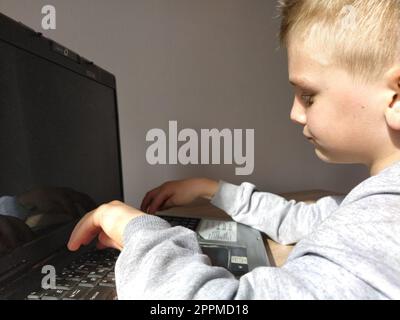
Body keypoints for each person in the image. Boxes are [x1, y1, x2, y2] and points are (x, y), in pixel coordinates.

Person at [68, 0, 400, 299]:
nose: (295, 114)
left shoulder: (384, 223)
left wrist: (143, 236)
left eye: (309, 96)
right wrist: (210, 189)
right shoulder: (375, 206)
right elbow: (301, 219)